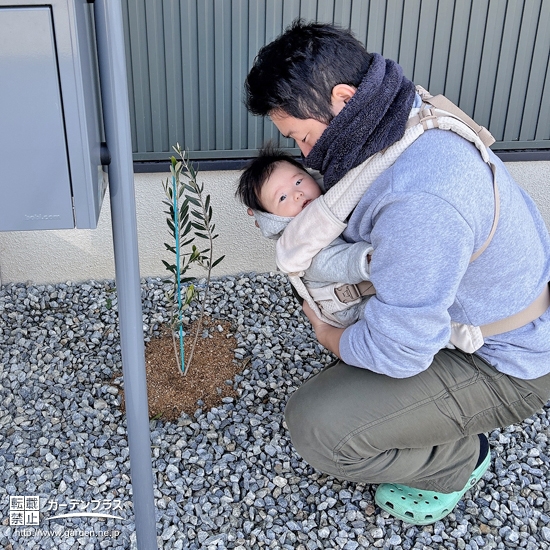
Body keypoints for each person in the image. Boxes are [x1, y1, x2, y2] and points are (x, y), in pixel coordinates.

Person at [244, 19, 550, 525]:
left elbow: (400, 351)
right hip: (500, 309)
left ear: (342, 99)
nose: (305, 157)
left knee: (316, 426)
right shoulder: (405, 115)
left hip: (510, 362)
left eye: (301, 137)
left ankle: (457, 461)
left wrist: (330, 338)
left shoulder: (418, 199)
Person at [236, 144, 374, 328]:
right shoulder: (297, 242)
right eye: (282, 198)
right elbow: (330, 262)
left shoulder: (332, 201)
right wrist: (369, 258)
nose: (297, 194)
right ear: (273, 218)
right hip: (351, 308)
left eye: (298, 182)